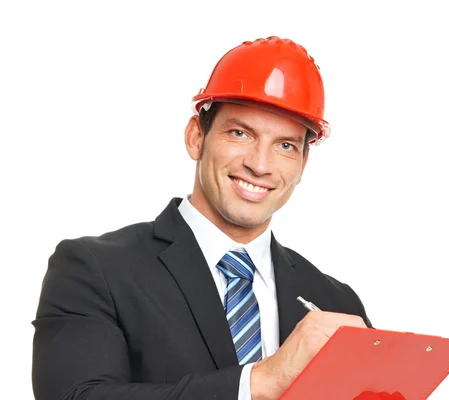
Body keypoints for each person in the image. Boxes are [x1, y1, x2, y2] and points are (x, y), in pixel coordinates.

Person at [32, 36, 372, 400]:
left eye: (285, 145)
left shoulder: (336, 303)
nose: (259, 165)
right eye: (240, 133)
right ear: (197, 137)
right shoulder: (96, 270)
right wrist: (259, 382)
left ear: (303, 164)